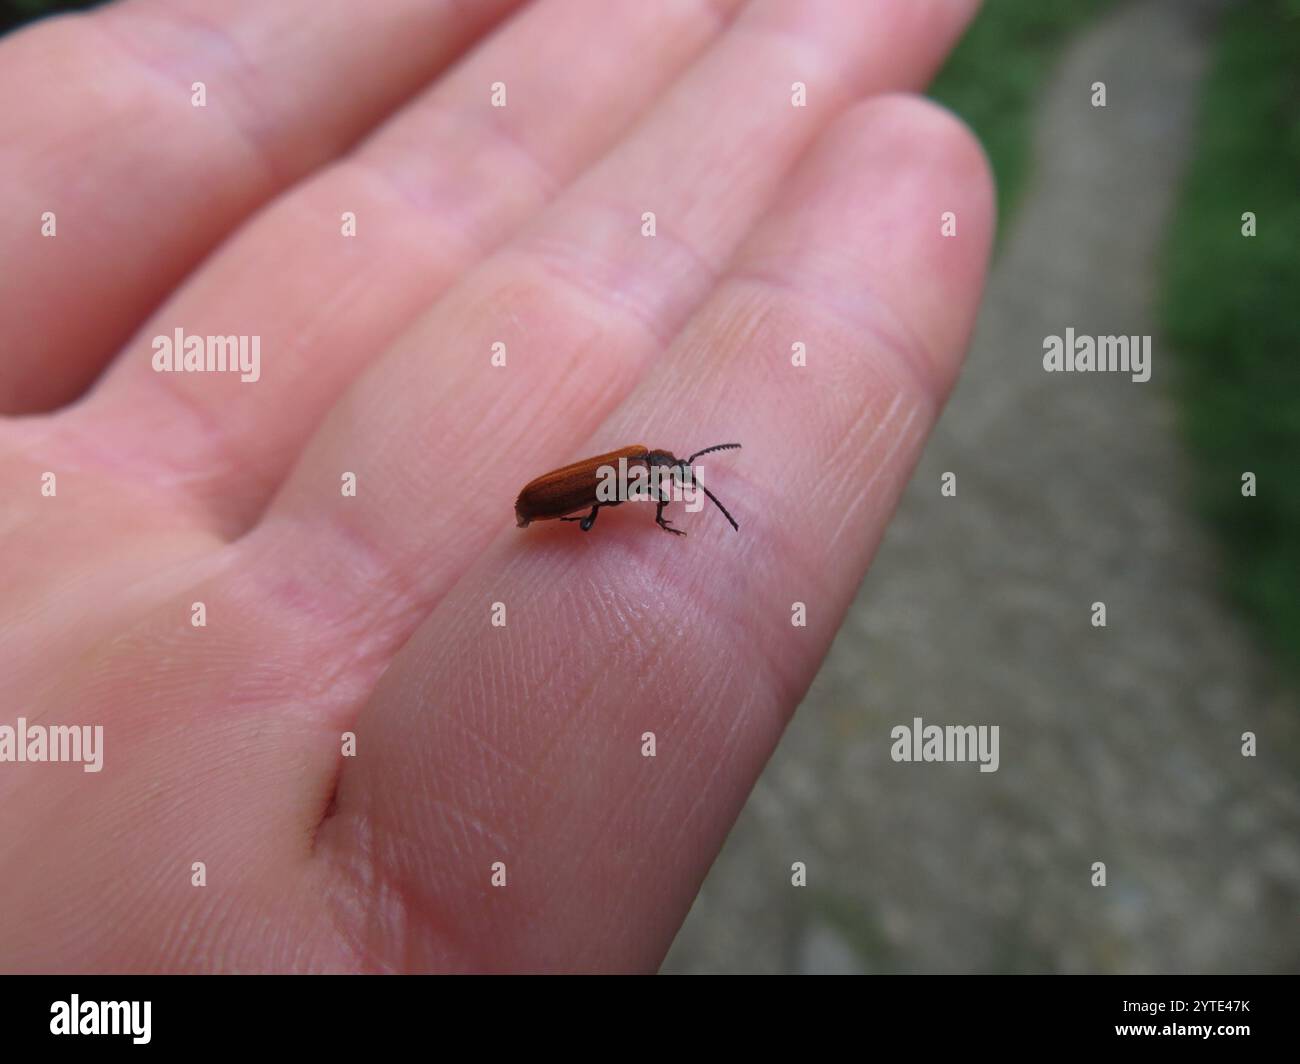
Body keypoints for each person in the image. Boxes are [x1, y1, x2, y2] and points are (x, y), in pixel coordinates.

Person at [0, 0, 992, 972]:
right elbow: (597, 502)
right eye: (678, 484)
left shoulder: (630, 474)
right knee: (590, 505)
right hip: (549, 499)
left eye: (679, 486)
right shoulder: (614, 487)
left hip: (560, 496)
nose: (677, 489)